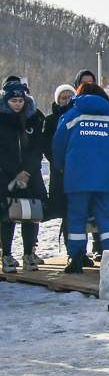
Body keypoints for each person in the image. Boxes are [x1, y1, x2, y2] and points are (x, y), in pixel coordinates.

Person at [52, 82, 109, 273]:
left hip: (77, 174)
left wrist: (62, 166)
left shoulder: (71, 115)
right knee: (105, 216)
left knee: (77, 216)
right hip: (107, 175)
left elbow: (58, 144)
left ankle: (76, 258)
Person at [0, 81, 47, 272]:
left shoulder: (34, 118)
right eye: (13, 100)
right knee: (6, 216)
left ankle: (29, 253)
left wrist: (27, 172)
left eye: (20, 100)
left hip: (31, 175)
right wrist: (15, 172)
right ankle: (6, 255)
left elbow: (38, 147)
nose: (18, 104)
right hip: (6, 176)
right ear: (6, 101)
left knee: (30, 215)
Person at [43, 83, 76, 230]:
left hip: (77, 170)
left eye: (70, 97)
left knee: (78, 210)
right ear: (58, 100)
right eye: (63, 98)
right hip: (59, 171)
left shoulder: (80, 117)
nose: (67, 100)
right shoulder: (50, 120)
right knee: (64, 211)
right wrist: (60, 164)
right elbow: (47, 146)